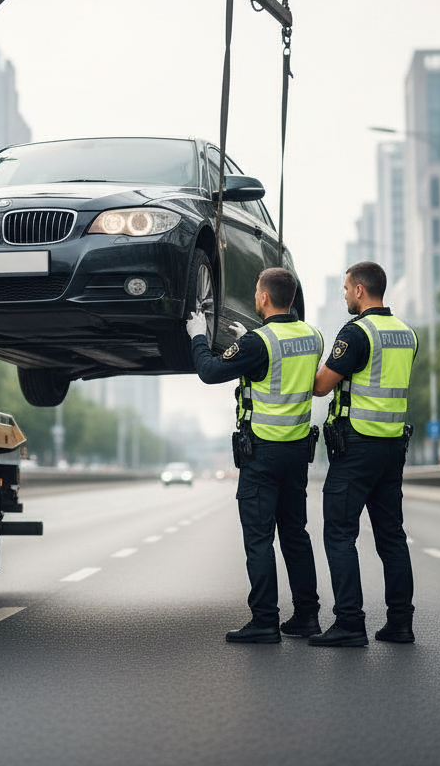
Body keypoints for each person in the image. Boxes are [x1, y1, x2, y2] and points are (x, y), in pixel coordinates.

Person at [186, 266, 323, 643]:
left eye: (257, 292)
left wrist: (199, 337)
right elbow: (285, 367)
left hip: (262, 453)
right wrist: (251, 342)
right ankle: (307, 617)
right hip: (297, 452)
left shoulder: (258, 343)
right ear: (291, 298)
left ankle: (265, 621)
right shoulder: (314, 336)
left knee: (259, 539)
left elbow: (211, 372)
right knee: (295, 536)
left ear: (263, 297)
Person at [308, 261, 418, 648]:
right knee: (392, 537)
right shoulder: (407, 334)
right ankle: (400, 624)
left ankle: (350, 623)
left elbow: (322, 386)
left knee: (339, 533)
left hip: (357, 449)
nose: (344, 296)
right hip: (392, 448)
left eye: (345, 289)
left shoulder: (357, 333)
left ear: (359, 290)